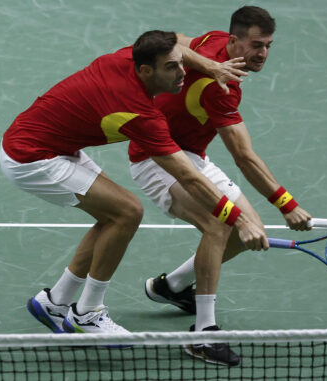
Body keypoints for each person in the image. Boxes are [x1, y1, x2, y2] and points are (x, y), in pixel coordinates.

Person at [0, 30, 268, 337]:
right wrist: (240, 220)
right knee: (127, 211)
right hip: (31, 156)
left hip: (51, 142)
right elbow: (190, 177)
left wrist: (211, 66)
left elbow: (177, 46)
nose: (182, 72)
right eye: (171, 68)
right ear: (146, 71)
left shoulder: (131, 55)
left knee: (110, 215)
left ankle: (55, 301)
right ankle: (87, 313)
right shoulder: (139, 113)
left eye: (181, 64)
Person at [128, 7, 312, 366]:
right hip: (156, 158)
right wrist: (286, 204)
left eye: (269, 46)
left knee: (250, 228)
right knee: (221, 223)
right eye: (256, 45)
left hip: (192, 155)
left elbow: (176, 39)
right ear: (234, 40)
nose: (263, 54)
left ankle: (172, 286)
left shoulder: (212, 42)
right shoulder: (220, 90)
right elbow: (243, 156)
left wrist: (209, 63)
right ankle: (203, 334)